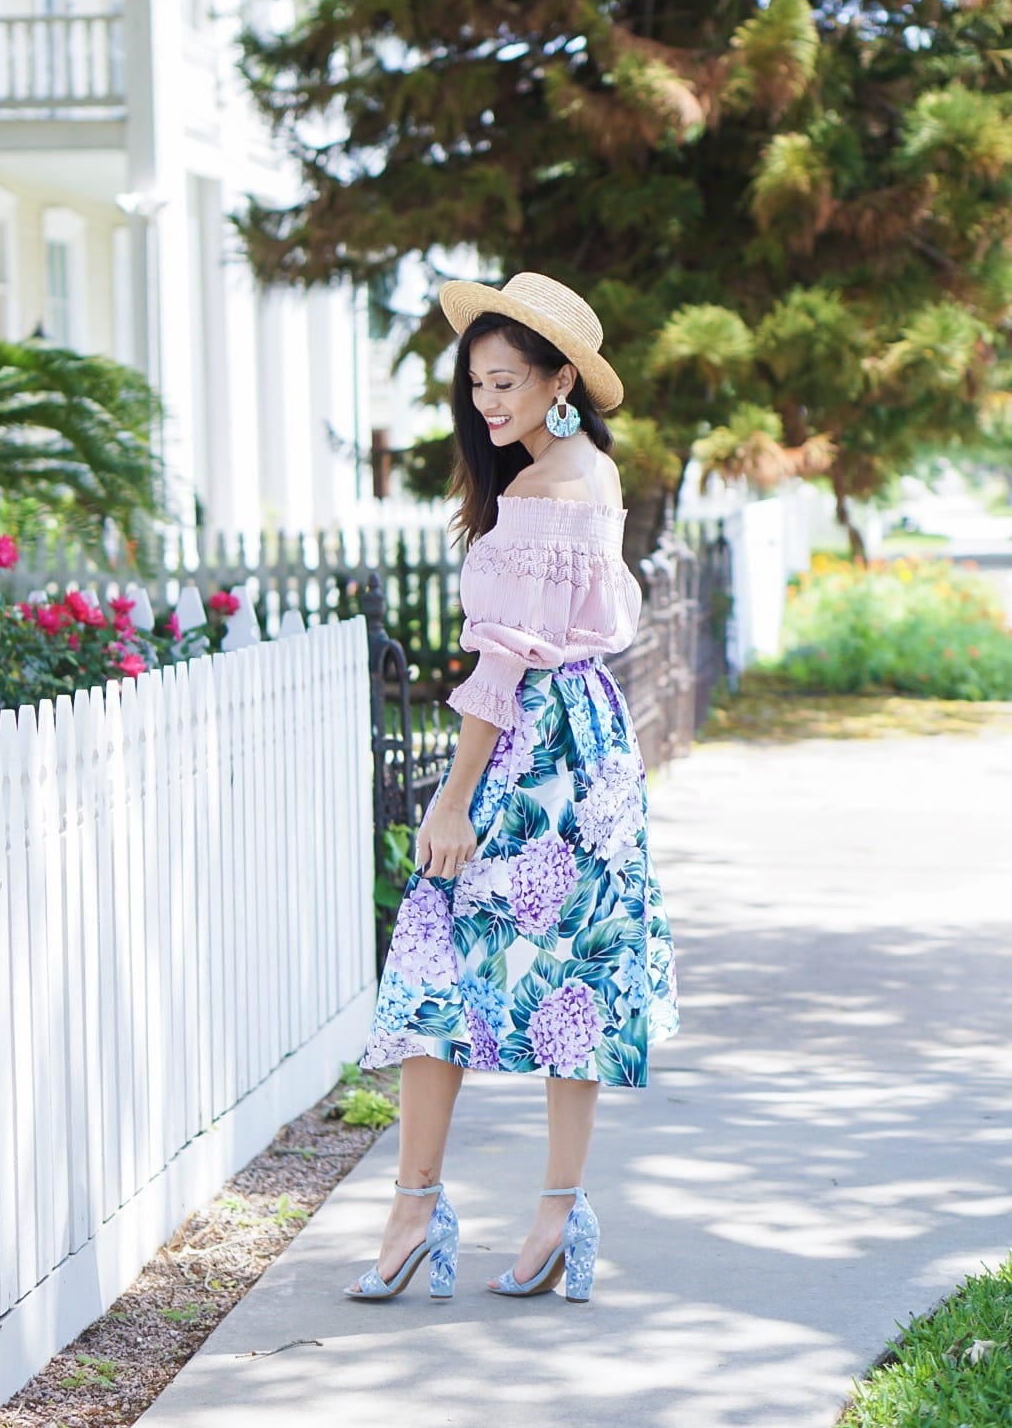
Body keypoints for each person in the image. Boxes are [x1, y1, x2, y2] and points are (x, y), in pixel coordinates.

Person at [347, 272, 679, 1304]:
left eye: (505, 382)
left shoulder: (537, 497)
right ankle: (554, 1211)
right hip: (592, 741)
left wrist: (451, 798)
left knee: (434, 959)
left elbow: (500, 669)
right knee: (572, 979)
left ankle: (417, 1201)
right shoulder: (588, 472)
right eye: (478, 383)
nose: (487, 402)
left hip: (529, 748)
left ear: (560, 379)